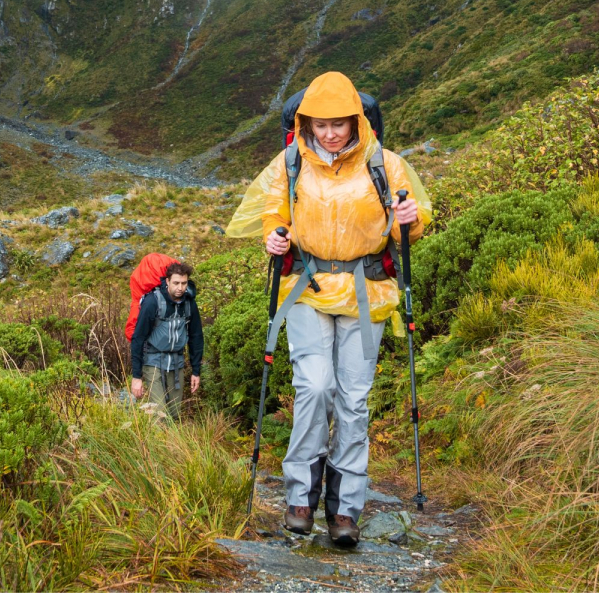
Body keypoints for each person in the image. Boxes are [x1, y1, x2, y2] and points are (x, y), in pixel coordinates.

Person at [233, 71, 432, 547]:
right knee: (315, 386)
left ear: (356, 121)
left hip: (368, 290)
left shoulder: (385, 163)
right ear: (304, 123)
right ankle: (300, 498)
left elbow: (413, 220)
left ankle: (345, 508)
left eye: (338, 124)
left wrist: (412, 219)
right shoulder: (290, 163)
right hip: (307, 287)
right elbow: (274, 211)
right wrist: (274, 234)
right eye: (318, 124)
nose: (328, 133)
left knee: (353, 400)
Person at [129, 262, 203, 420]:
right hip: (153, 361)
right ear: (167, 281)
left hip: (177, 363)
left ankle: (170, 444)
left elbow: (196, 336)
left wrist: (196, 371)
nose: (180, 288)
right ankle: (154, 444)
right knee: (159, 415)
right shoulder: (153, 302)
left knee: (174, 414)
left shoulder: (189, 303)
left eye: (184, 283)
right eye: (176, 283)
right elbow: (138, 338)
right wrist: (137, 377)